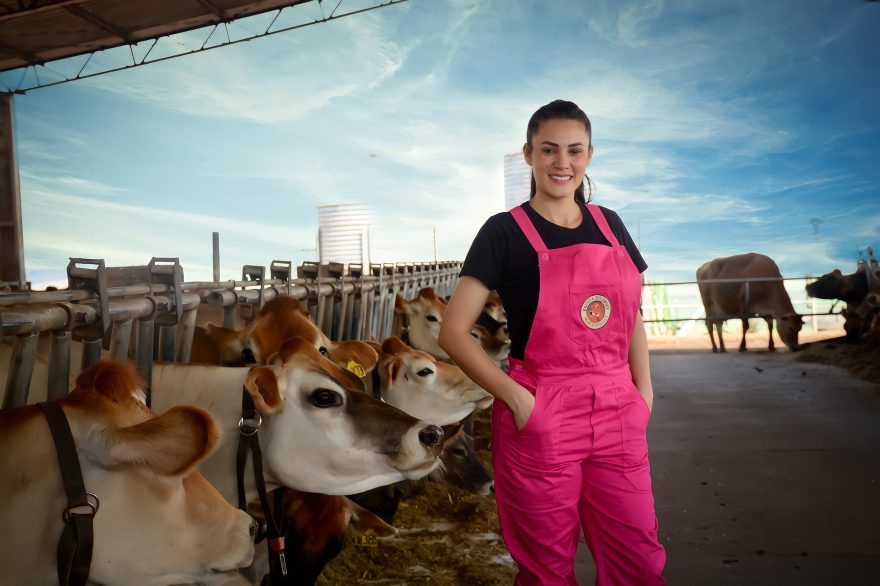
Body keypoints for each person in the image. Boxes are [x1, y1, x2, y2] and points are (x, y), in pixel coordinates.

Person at [438, 99, 666, 585]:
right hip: (542, 410)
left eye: (574, 150)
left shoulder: (611, 224)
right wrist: (519, 400)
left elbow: (632, 320)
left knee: (639, 564)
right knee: (546, 571)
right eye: (548, 150)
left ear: (589, 155)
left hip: (617, 408)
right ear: (528, 154)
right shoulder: (503, 233)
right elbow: (453, 332)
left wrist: (643, 392)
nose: (562, 162)